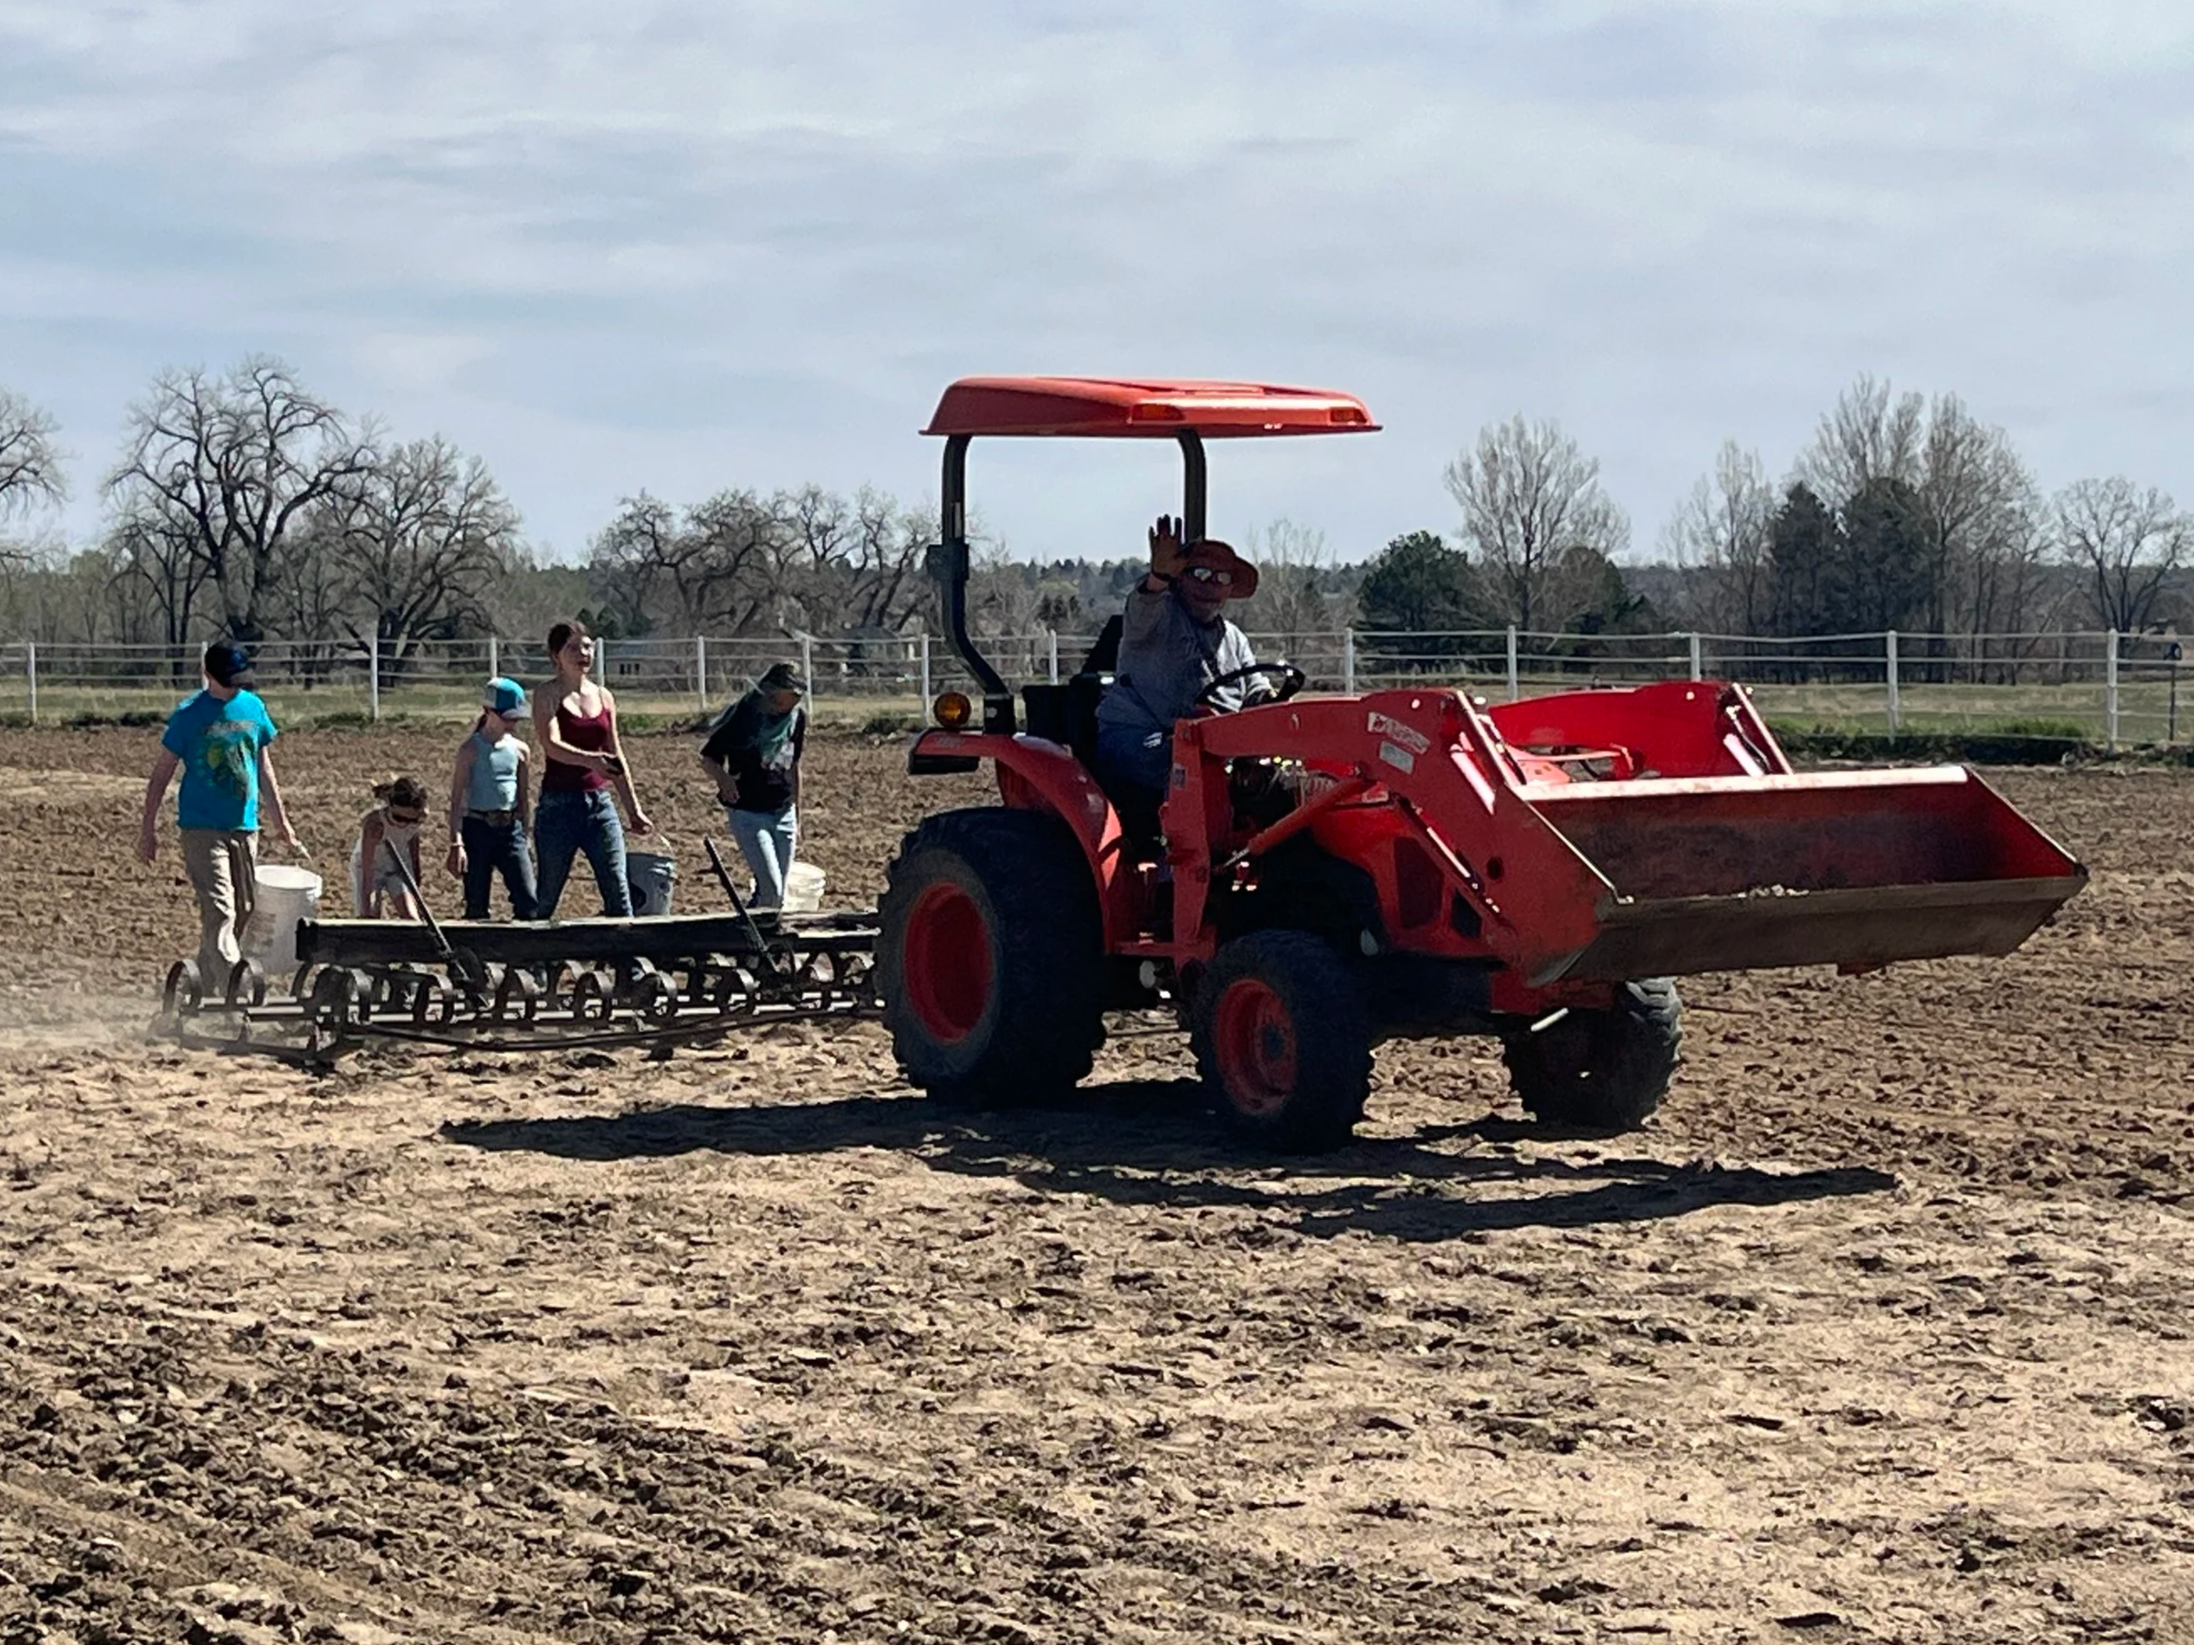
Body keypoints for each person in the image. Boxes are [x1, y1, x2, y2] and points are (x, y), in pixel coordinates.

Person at [1092, 513, 1266, 839]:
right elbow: (1144, 604)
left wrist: (1267, 701)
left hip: (1214, 744)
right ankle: (1180, 870)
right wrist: (1158, 576)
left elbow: (1255, 686)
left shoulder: (1234, 638)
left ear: (1230, 588)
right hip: (1140, 738)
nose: (1209, 585)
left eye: (1220, 578)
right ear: (1181, 578)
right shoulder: (1156, 620)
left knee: (1279, 774)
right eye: (1199, 573)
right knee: (1188, 766)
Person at [136, 640, 301, 984]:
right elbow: (161, 774)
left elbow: (263, 768)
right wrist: (147, 828)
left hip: (244, 825)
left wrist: (281, 822)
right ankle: (234, 986)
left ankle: (203, 981)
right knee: (220, 909)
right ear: (208, 674)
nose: (235, 686)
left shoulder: (253, 708)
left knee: (243, 909)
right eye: (228, 679)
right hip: (201, 828)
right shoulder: (189, 715)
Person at [531, 619, 654, 919]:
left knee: (618, 891)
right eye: (573, 648)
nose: (582, 653)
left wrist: (633, 809)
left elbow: (615, 755)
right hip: (558, 807)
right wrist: (591, 760)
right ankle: (533, 962)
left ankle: (630, 966)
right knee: (547, 895)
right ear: (556, 655)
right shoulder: (546, 695)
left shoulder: (604, 696)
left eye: (587, 646)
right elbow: (551, 745)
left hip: (600, 805)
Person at [699, 661, 807, 909]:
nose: (791, 701)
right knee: (772, 890)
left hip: (783, 812)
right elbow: (708, 758)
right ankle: (753, 935)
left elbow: (793, 766)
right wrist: (724, 779)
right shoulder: (744, 716)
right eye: (787, 694)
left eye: (796, 696)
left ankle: (760, 940)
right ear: (771, 691)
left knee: (775, 896)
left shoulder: (796, 719)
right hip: (749, 812)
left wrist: (797, 815)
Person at [445, 677, 539, 921]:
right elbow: (457, 801)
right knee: (476, 902)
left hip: (510, 829)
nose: (512, 723)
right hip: (478, 828)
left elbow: (523, 797)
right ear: (488, 712)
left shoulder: (520, 750)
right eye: (507, 717)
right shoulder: (470, 750)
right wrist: (456, 843)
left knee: (528, 899)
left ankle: (525, 956)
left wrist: (525, 835)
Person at [350, 776, 430, 919]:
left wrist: (415, 878)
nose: (404, 824)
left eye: (411, 820)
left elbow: (413, 841)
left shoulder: (419, 816)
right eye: (399, 819)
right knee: (371, 914)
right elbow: (368, 872)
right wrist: (367, 908)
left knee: (411, 916)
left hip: (398, 867)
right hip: (370, 868)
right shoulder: (375, 825)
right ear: (391, 807)